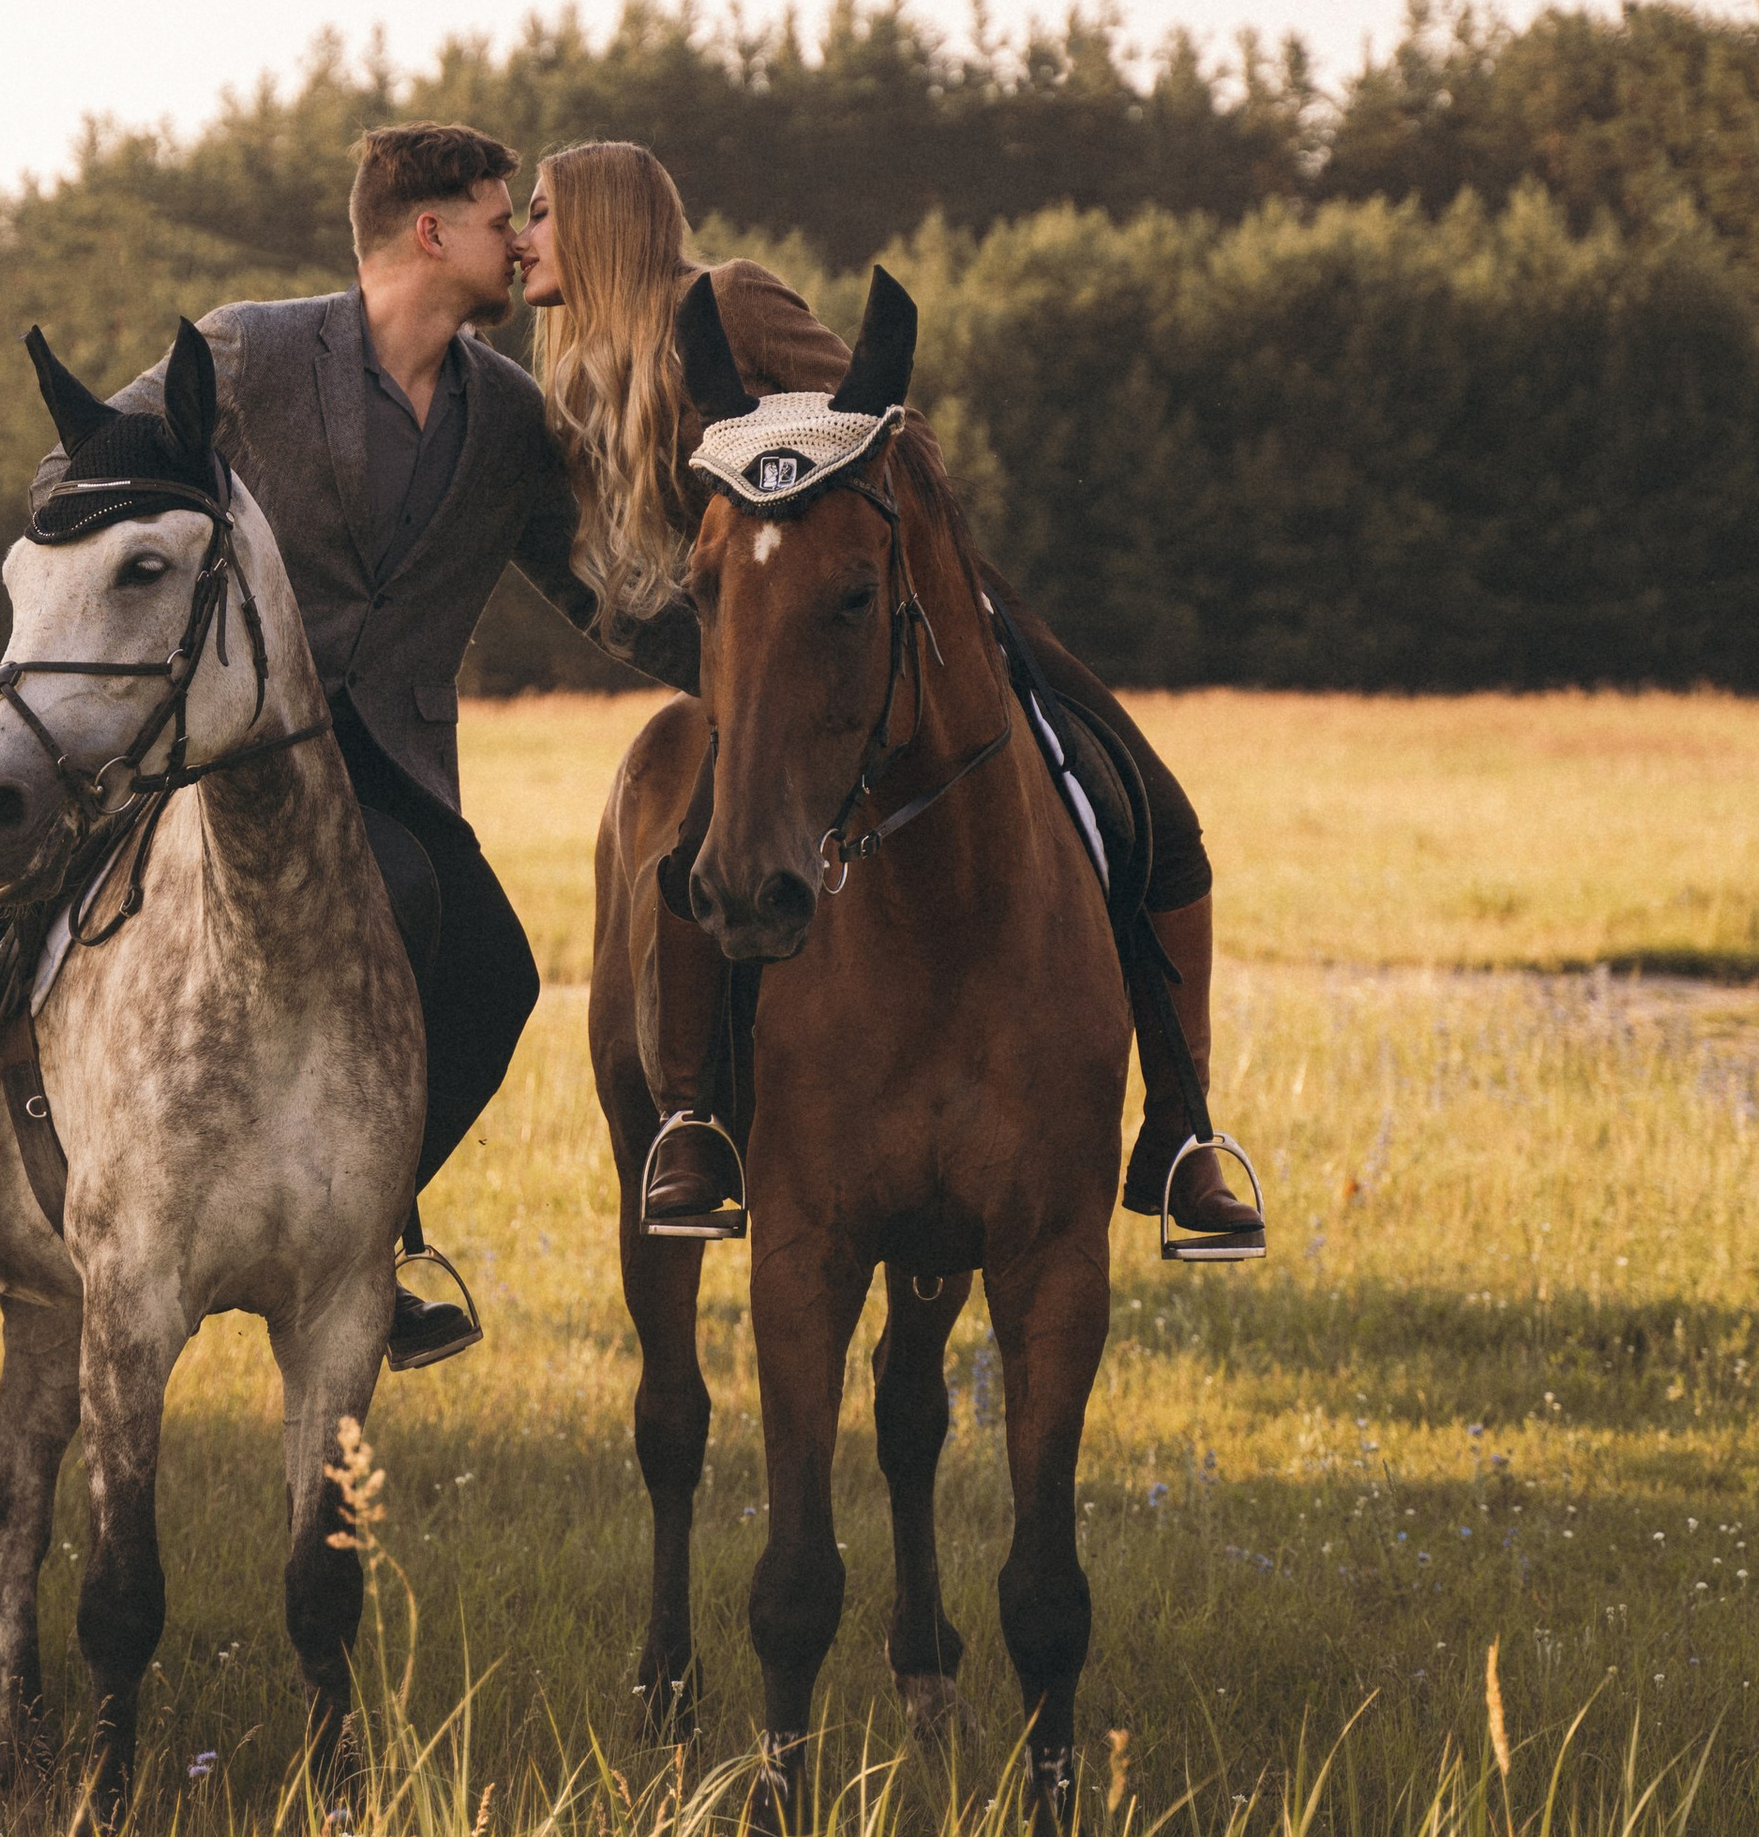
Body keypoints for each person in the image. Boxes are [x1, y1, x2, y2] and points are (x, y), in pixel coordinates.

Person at [0, 122, 701, 1365]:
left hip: (391, 779)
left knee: (497, 976)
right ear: (429, 231)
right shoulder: (252, 350)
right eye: (498, 215)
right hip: (190, 742)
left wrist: (756, 668)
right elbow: (65, 476)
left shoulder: (510, 419)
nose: (520, 242)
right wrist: (156, 499)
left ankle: (371, 1237)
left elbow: (599, 596)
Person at [516, 137, 1263, 1249]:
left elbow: (896, 434)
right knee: (693, 861)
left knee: (1157, 814)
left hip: (914, 618)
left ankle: (1183, 1134)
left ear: (601, 221)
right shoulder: (582, 380)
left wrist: (843, 585)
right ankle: (691, 1122)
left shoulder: (732, 302)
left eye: (538, 211)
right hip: (773, 661)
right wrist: (738, 669)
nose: (521, 235)